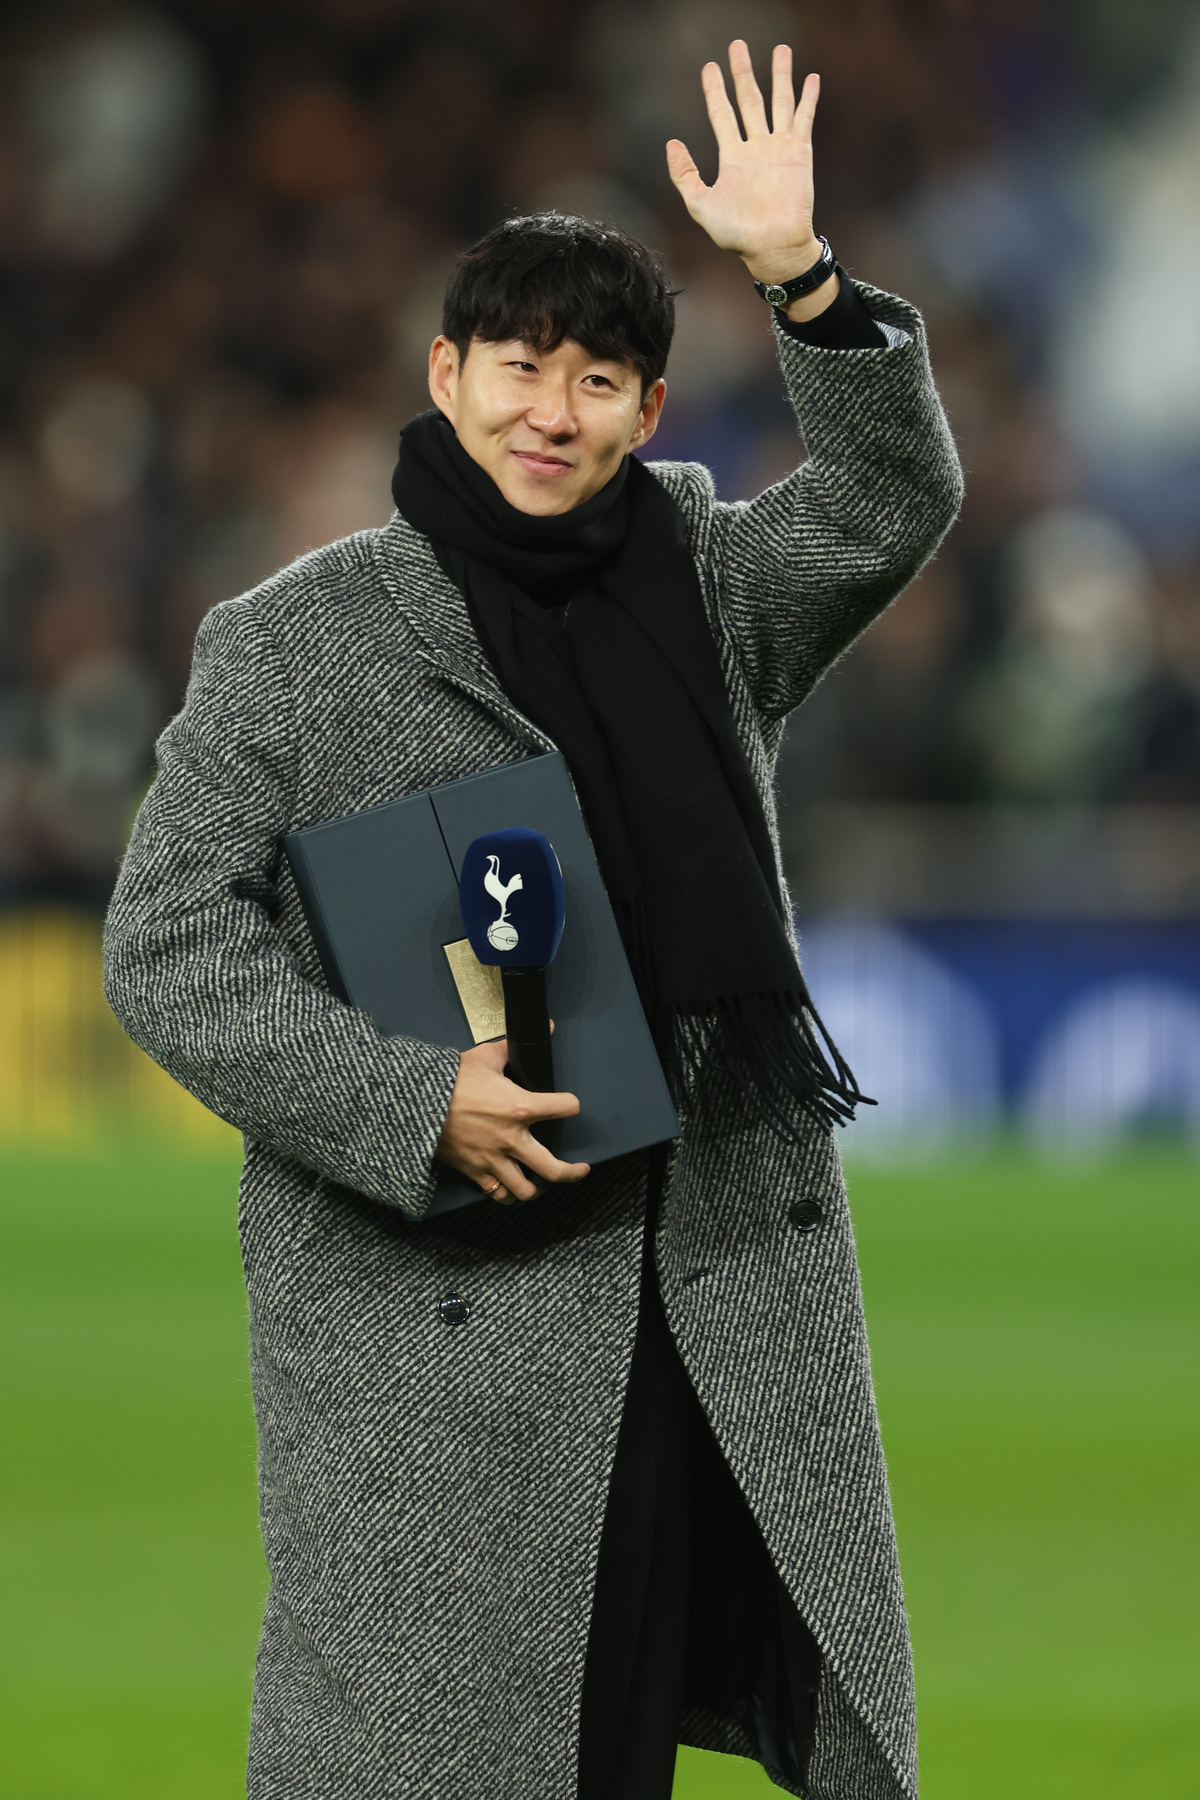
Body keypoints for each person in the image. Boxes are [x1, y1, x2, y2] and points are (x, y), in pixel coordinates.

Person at [104, 40, 962, 1800]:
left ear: (649, 410)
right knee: (425, 1754)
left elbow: (894, 499)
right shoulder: (295, 642)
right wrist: (412, 1100)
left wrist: (802, 278)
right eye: (519, 368)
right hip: (431, 1307)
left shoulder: (714, 585)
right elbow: (168, 939)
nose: (551, 412)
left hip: (694, 1291)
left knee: (622, 1746)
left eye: (597, 380)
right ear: (447, 375)